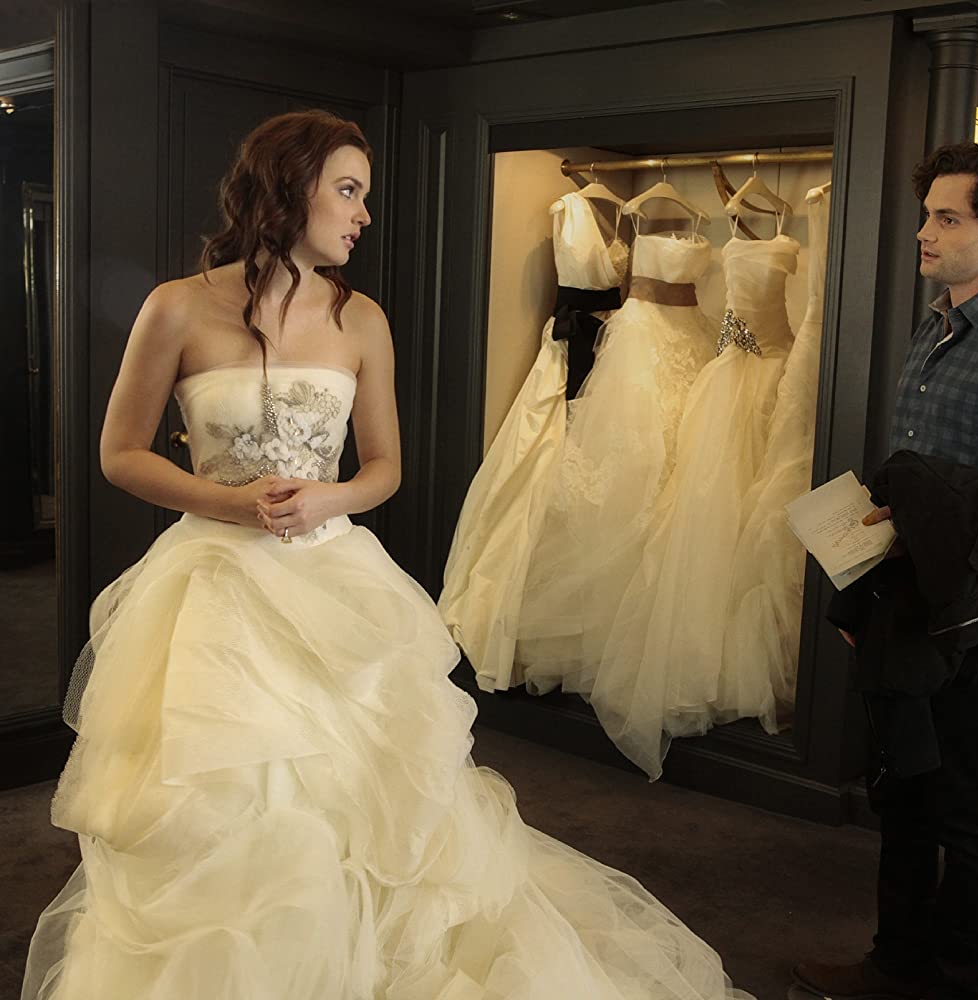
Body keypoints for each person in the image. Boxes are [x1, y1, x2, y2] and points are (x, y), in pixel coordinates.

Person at [22, 109, 753, 1000]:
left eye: (363, 194)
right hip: (213, 583)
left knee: (365, 794)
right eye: (348, 191)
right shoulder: (175, 306)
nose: (363, 214)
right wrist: (230, 503)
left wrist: (326, 497)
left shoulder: (361, 320)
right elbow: (118, 454)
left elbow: (383, 469)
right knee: (232, 792)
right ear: (289, 188)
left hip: (333, 581)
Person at [793, 141, 978, 1000]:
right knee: (902, 789)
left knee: (961, 802)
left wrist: (953, 525)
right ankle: (893, 964)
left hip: (973, 613)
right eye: (927, 213)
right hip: (906, 595)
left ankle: (957, 983)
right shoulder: (936, 325)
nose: (924, 231)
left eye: (947, 218)